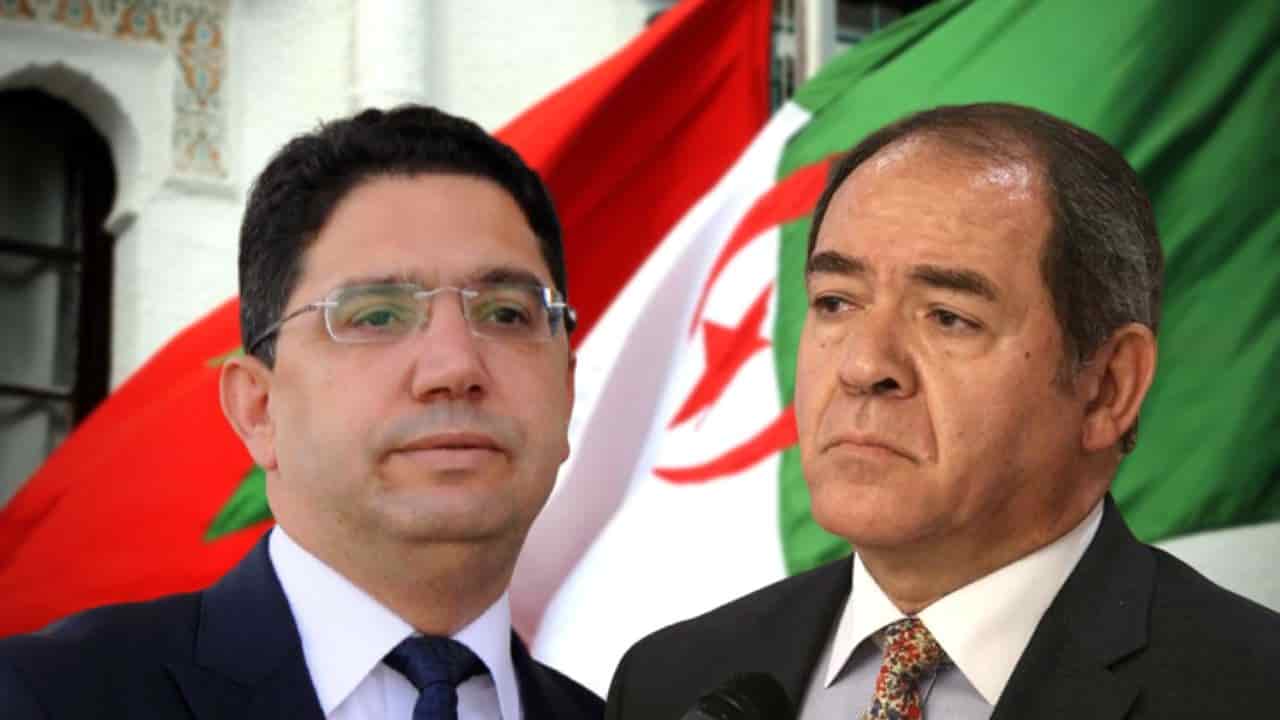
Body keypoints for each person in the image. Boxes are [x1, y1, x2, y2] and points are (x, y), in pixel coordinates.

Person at [604, 103, 1280, 719]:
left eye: (948, 317)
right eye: (836, 302)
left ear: (1108, 387)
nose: (863, 366)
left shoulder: (1252, 690)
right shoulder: (668, 681)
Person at [0, 105, 602, 720]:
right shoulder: (45, 698)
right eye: (377, 316)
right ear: (258, 409)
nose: (454, 367)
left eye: (506, 313)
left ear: (566, 391)